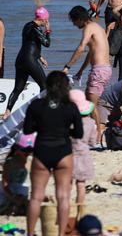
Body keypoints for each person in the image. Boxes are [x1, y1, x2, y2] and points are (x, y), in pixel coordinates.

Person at [24, 71, 83, 236]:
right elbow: (78, 133)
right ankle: (61, 233)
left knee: (36, 196)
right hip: (63, 151)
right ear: (66, 87)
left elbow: (27, 130)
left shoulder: (36, 105)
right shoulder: (71, 107)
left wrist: (42, 128)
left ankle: (30, 233)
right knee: (63, 196)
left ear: (47, 86)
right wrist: (65, 131)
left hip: (42, 150)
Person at [63, 6, 111, 142]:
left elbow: (81, 48)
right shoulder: (98, 27)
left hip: (99, 70)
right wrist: (81, 70)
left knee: (90, 105)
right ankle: (94, 131)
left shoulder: (88, 28)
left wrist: (67, 66)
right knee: (89, 102)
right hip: (104, 69)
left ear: (79, 19)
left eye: (74, 21)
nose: (74, 24)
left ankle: (98, 134)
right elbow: (91, 53)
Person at [3, 7, 50, 119]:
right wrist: (48, 31)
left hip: (20, 59)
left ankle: (7, 113)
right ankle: (42, 113)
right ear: (43, 19)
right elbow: (47, 43)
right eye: (47, 20)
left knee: (18, 89)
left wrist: (40, 57)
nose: (47, 22)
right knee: (45, 87)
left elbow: (29, 44)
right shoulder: (37, 29)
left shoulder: (27, 26)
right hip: (29, 60)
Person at [69, 89, 96, 206]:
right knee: (81, 184)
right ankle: (79, 206)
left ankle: (66, 205)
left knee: (67, 183)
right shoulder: (91, 123)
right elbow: (92, 142)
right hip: (84, 155)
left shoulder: (68, 122)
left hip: (69, 155)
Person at [0, 134, 34, 216]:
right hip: (7, 191)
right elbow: (5, 185)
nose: (27, 152)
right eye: (24, 150)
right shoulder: (10, 162)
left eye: (29, 150)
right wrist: (14, 199)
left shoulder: (31, 161)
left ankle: (15, 207)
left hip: (20, 191)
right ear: (17, 149)